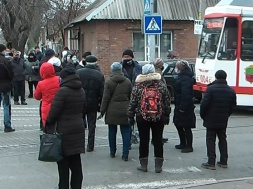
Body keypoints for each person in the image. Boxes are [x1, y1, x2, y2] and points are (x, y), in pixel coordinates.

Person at [46, 66, 86, 189]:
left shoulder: (62, 91)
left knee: (63, 167)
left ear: (63, 78)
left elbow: (53, 114)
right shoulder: (81, 90)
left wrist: (47, 124)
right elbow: (84, 109)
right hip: (78, 130)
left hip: (63, 132)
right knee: (76, 165)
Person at [128, 64, 171, 173]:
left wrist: (130, 115)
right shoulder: (161, 85)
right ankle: (158, 166)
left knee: (144, 140)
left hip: (142, 117)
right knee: (158, 140)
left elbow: (132, 103)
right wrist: (166, 115)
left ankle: (144, 165)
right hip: (159, 116)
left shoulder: (138, 86)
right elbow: (167, 101)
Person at [200, 70, 236, 170]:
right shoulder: (231, 90)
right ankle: (224, 161)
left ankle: (211, 162)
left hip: (210, 118)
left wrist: (204, 116)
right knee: (223, 139)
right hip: (223, 119)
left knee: (210, 140)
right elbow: (233, 106)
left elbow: (204, 105)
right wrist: (226, 115)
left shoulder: (211, 89)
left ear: (216, 77)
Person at [99, 62, 132, 161]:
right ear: (121, 70)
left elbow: (105, 98)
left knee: (112, 131)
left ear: (112, 70)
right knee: (126, 131)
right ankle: (125, 154)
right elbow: (131, 97)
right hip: (125, 109)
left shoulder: (109, 82)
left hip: (112, 110)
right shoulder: (127, 81)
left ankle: (112, 151)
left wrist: (102, 111)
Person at [77, 55, 104, 152]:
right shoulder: (99, 75)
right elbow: (102, 92)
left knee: (80, 124)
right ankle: (90, 146)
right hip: (93, 103)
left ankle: (79, 144)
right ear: (95, 63)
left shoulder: (79, 73)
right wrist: (101, 105)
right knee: (91, 125)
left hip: (80, 102)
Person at [173, 60, 196, 153]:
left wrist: (183, 107)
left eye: (177, 67)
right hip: (180, 104)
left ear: (180, 68)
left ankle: (189, 146)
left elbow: (185, 93)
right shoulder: (183, 77)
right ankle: (183, 143)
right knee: (178, 124)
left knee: (186, 126)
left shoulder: (185, 78)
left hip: (185, 106)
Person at [120, 49, 142, 146]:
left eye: (128, 57)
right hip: (124, 97)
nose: (126, 59)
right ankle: (127, 141)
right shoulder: (119, 67)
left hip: (136, 96)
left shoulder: (137, 67)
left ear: (132, 57)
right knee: (127, 120)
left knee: (136, 119)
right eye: (125, 57)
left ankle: (135, 136)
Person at [34, 63, 60, 128]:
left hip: (47, 108)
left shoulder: (41, 84)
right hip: (59, 106)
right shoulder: (59, 79)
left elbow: (37, 97)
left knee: (48, 130)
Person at [153, 58, 170, 144]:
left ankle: (158, 137)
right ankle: (157, 138)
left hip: (157, 100)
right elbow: (163, 88)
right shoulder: (158, 73)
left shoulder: (157, 72)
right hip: (159, 100)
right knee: (159, 120)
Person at [0, 44, 15, 132]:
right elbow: (11, 74)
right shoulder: (5, 61)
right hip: (5, 85)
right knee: (6, 106)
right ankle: (7, 125)